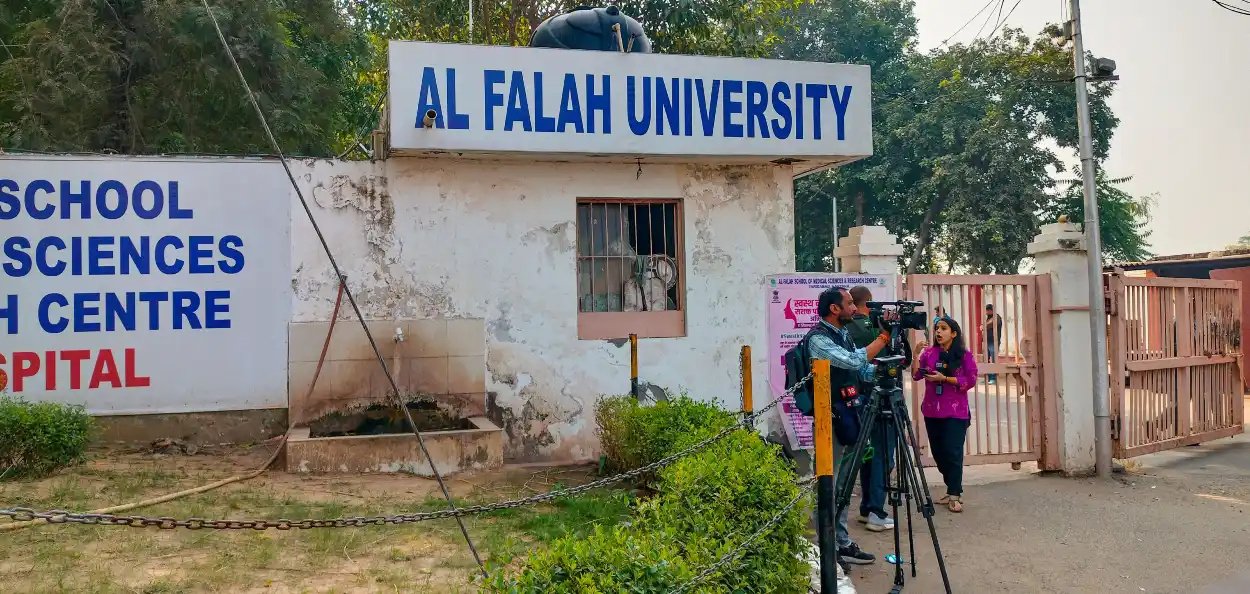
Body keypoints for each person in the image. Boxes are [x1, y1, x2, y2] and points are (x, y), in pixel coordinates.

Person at [806, 287, 892, 566]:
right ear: (834, 309)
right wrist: (882, 337)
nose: (855, 309)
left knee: (843, 484)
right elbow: (854, 360)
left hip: (848, 417)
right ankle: (826, 548)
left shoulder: (841, 335)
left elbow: (862, 369)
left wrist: (888, 361)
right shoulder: (818, 339)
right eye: (850, 303)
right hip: (829, 422)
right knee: (829, 486)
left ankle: (841, 542)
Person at [845, 286, 910, 533]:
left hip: (857, 399)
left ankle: (866, 508)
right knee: (884, 455)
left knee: (867, 454)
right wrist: (894, 332)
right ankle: (876, 511)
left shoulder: (846, 330)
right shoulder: (878, 330)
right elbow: (903, 360)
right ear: (869, 303)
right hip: (882, 398)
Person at [913, 317, 978, 513]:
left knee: (953, 451)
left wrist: (946, 379)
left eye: (943, 328)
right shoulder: (930, 353)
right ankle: (952, 487)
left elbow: (971, 379)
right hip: (932, 411)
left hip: (956, 412)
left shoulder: (964, 355)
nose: (938, 332)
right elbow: (916, 374)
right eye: (936, 329)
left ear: (954, 333)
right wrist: (916, 354)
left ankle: (955, 494)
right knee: (939, 453)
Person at [981, 304, 1003, 384]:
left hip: (994, 342)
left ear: (991, 310)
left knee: (993, 360)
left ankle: (993, 378)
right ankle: (988, 377)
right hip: (987, 342)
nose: (986, 312)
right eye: (986, 310)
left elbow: (991, 324)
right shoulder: (988, 318)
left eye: (988, 310)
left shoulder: (997, 317)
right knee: (986, 360)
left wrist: (984, 326)